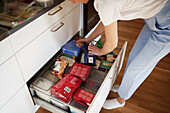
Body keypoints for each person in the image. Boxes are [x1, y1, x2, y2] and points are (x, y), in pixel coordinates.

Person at [70, 0, 170, 109]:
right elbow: (107, 20)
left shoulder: (105, 3)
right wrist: (89, 39)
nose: (73, 2)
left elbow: (111, 44)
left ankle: (121, 100)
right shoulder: (105, 4)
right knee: (133, 56)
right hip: (154, 16)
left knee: (136, 69)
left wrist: (99, 51)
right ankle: (124, 86)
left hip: (167, 26)